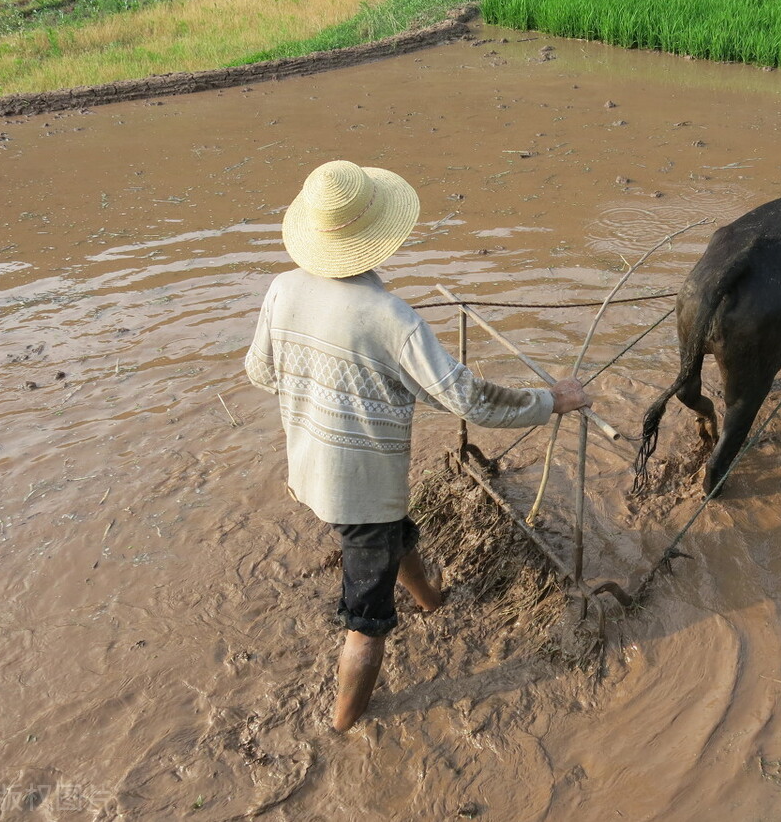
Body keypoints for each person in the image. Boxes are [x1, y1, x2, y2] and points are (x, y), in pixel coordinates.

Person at [244, 160, 591, 732]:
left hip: (309, 470)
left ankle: (432, 601)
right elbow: (468, 399)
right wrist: (550, 400)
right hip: (361, 492)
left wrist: (325, 379)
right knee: (366, 619)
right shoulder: (390, 318)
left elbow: (260, 371)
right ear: (377, 235)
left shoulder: (283, 289)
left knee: (393, 536)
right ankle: (342, 727)